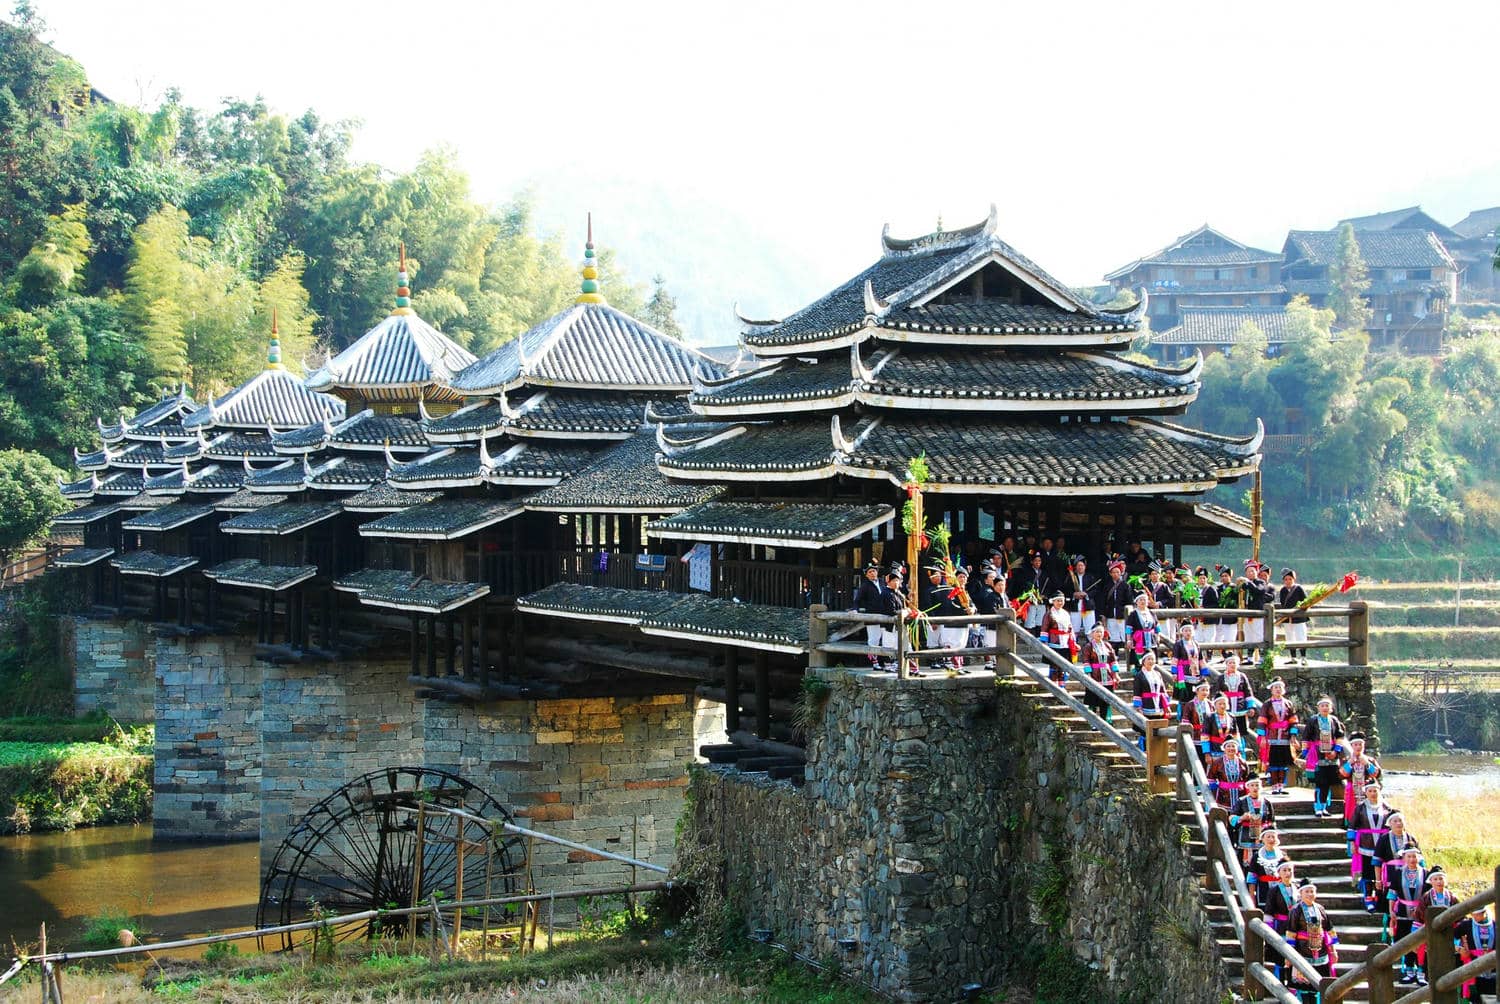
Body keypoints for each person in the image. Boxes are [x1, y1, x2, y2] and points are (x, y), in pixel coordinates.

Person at [1348, 781, 1396, 913]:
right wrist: (1352, 842)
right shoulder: (1361, 807)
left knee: (1382, 873)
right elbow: (1352, 826)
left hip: (1383, 844)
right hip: (1366, 844)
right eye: (1370, 791)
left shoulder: (1387, 807)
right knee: (1368, 873)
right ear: (1366, 792)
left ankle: (1380, 898)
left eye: (1375, 791)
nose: (1373, 793)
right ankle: (1368, 898)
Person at [1288, 882, 1340, 1002]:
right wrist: (1290, 955)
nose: (1310, 894)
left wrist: (1333, 950)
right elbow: (1291, 933)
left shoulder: (1320, 909)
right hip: (1302, 950)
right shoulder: (1295, 910)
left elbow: (1329, 929)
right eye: (1307, 891)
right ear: (1300, 893)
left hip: (1321, 950)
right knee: (1304, 983)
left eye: (1312, 891)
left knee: (1320, 980)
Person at [1388, 847, 1430, 985]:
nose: (1412, 859)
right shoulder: (1397, 874)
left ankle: (1421, 971)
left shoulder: (1426, 874)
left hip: (1420, 915)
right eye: (1409, 856)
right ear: (1404, 858)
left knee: (1421, 942)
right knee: (1405, 941)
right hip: (1402, 912)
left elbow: (1428, 897)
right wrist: (1391, 911)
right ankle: (1409, 969)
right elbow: (1392, 894)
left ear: (1419, 858)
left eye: (1414, 856)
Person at [1301, 696, 1347, 818]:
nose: (1325, 708)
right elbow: (1306, 737)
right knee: (1319, 783)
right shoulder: (1313, 721)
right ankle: (1318, 807)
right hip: (1317, 754)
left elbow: (1340, 737)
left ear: (1331, 708)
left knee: (1328, 782)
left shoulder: (1334, 721)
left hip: (1331, 755)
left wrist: (1336, 751)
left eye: (1327, 706)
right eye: (1322, 706)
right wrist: (1306, 752)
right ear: (1318, 708)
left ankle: (1325, 806)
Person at [1257, 680, 1299, 795]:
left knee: (1284, 763)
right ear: (1271, 690)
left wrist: (1293, 735)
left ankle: (1282, 785)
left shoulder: (1288, 704)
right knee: (1273, 762)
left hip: (1285, 737)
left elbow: (1293, 720)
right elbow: (1262, 721)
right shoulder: (1267, 704)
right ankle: (1274, 785)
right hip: (1272, 736)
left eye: (1280, 687)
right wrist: (1263, 737)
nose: (1278, 689)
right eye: (1275, 687)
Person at [1416, 869, 1456, 987]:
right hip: (1429, 931)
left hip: (1448, 931)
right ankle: (1423, 973)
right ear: (1431, 881)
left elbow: (1459, 916)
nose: (1439, 881)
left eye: (1441, 878)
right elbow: (1419, 916)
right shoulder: (1426, 898)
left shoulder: (1452, 897)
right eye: (1436, 879)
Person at [1375, 812, 1423, 906]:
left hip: (1411, 873)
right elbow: (1377, 861)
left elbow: (1420, 859)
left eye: (1400, 820)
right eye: (1395, 821)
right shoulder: (1384, 839)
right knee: (1390, 897)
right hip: (1390, 873)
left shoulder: (1411, 838)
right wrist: (1378, 880)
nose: (1398, 823)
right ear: (1390, 823)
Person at [1230, 775, 1277, 868]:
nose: (1255, 788)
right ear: (1248, 787)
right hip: (1245, 834)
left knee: (1262, 861)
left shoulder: (1266, 802)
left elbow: (1272, 820)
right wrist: (1242, 817)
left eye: (1257, 785)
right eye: (1252, 785)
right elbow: (1231, 818)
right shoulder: (1241, 801)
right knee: (1244, 861)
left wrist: (1271, 834)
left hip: (1262, 835)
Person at [1340, 734, 1383, 828]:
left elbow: (1376, 774)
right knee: (1351, 811)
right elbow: (1342, 774)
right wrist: (1350, 763)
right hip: (1352, 790)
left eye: (1360, 744)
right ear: (1351, 746)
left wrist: (1367, 764)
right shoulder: (1346, 760)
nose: (1358, 747)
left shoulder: (1370, 760)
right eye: (1356, 745)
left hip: (1366, 790)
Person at [1455, 905, 1496, 1001]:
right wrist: (1459, 949)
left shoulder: (1495, 925)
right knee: (1474, 995)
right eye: (1473, 914)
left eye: (1477, 914)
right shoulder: (1466, 925)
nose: (1474, 916)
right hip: (1472, 964)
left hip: (1492, 966)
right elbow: (1451, 937)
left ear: (1484, 913)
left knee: (1490, 994)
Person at [1080, 624, 1119, 722]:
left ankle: (1105, 720)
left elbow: (1113, 660)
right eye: (1097, 632)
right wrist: (1088, 674)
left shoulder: (1107, 645)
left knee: (1106, 701)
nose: (1099, 634)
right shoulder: (1088, 646)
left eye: (1101, 632)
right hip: (1095, 676)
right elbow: (1086, 661)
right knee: (1093, 701)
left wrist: (1116, 674)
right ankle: (1093, 722)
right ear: (1092, 633)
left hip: (1107, 677)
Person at [855, 561, 886, 669]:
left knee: (886, 638)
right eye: (870, 572)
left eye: (874, 571)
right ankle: (874, 662)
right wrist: (856, 609)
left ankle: (887, 662)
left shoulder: (883, 582)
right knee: (874, 639)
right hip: (872, 614)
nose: (873, 573)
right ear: (866, 574)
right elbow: (858, 600)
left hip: (884, 614)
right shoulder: (865, 586)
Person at [1248, 827, 1288, 908]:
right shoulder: (1257, 856)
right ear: (1262, 839)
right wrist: (1252, 898)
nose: (1271, 839)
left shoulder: (1282, 855)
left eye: (1273, 837)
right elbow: (1252, 878)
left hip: (1281, 889)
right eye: (1268, 837)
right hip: (1263, 889)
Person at [1206, 737, 1251, 810]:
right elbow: (1211, 779)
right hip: (1223, 795)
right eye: (1228, 746)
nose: (1231, 748)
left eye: (1233, 746)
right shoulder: (1217, 763)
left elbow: (1247, 779)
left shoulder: (1243, 763)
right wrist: (1213, 795)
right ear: (1224, 748)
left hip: (1240, 794)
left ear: (1237, 749)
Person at [1132, 651, 1172, 727]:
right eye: (1149, 659)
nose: (1151, 661)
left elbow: (1162, 691)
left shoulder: (1158, 674)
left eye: (1152, 659)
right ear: (1143, 661)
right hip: (1146, 705)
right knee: (1147, 730)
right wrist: (1138, 707)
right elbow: (1137, 692)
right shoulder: (1139, 675)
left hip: (1158, 705)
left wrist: (1167, 706)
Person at [1278, 567, 1310, 663]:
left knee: (1301, 637)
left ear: (1293, 579)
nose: (1288, 581)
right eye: (1286, 579)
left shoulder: (1298, 588)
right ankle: (1293, 658)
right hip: (1287, 618)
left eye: (1290, 579)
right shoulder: (1283, 590)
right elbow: (1283, 603)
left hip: (1299, 617)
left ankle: (1303, 657)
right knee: (1290, 638)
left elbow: (1306, 601)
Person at [1041, 591, 1075, 681]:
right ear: (1053, 601)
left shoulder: (1066, 613)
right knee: (1054, 666)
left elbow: (1070, 628)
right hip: (1054, 643)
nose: (1060, 603)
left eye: (1061, 601)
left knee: (1064, 667)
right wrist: (1044, 642)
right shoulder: (1049, 614)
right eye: (1058, 601)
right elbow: (1044, 628)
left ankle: (1062, 686)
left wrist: (1073, 640)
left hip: (1066, 643)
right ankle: (1053, 685)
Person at [1099, 560, 1133, 646]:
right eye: (1113, 572)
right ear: (1110, 573)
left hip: (1121, 614)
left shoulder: (1125, 585)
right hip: (1110, 613)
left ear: (1121, 573)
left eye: (1117, 572)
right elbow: (1103, 601)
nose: (1115, 574)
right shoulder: (1107, 585)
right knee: (1112, 635)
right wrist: (1103, 614)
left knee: (1123, 634)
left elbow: (1129, 601)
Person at [1170, 622, 1202, 710]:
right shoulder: (1179, 644)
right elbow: (1175, 659)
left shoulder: (1196, 644)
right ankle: (1182, 717)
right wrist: (1174, 672)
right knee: (1183, 695)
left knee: (1194, 694)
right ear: (1182, 632)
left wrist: (1204, 672)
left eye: (1190, 631)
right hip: (1182, 673)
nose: (1188, 633)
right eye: (1186, 631)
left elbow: (1201, 659)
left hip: (1195, 672)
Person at [1205, 694, 1242, 769]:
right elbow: (1205, 736)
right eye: (1220, 704)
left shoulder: (1231, 717)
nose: (1222, 706)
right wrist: (1207, 753)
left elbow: (1236, 735)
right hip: (1214, 750)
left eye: (1224, 704)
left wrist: (1239, 751)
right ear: (1215, 705)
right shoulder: (1209, 717)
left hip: (1229, 751)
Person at [1124, 592, 1159, 671]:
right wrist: (1129, 639)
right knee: (1139, 660)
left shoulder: (1151, 613)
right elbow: (1129, 628)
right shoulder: (1133, 614)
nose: (1143, 602)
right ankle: (1139, 672)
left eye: (1144, 600)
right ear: (1136, 602)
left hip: (1151, 639)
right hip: (1139, 639)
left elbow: (1157, 626)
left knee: (1151, 656)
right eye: (1141, 600)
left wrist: (1158, 636)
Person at [1065, 556, 1098, 638]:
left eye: (1082, 565)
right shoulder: (1071, 577)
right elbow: (1066, 589)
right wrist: (1074, 594)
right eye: (1078, 565)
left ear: (1085, 567)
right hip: (1075, 606)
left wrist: (1086, 594)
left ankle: (1090, 647)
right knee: (1074, 630)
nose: (1080, 567)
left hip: (1088, 606)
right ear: (1076, 567)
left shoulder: (1090, 576)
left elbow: (1095, 590)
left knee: (1090, 630)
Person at [878, 570, 904, 672]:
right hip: (888, 623)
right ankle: (888, 665)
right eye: (894, 580)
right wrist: (903, 612)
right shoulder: (886, 593)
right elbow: (890, 610)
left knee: (896, 643)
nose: (896, 583)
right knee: (888, 643)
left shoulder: (898, 593)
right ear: (888, 582)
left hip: (896, 623)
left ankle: (895, 664)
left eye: (898, 580)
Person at [1182, 681, 1215, 757]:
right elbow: (1185, 721)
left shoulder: (1210, 704)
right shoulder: (1190, 705)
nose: (1205, 692)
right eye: (1203, 690)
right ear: (1197, 691)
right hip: (1195, 735)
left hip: (1208, 735)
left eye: (1207, 690)